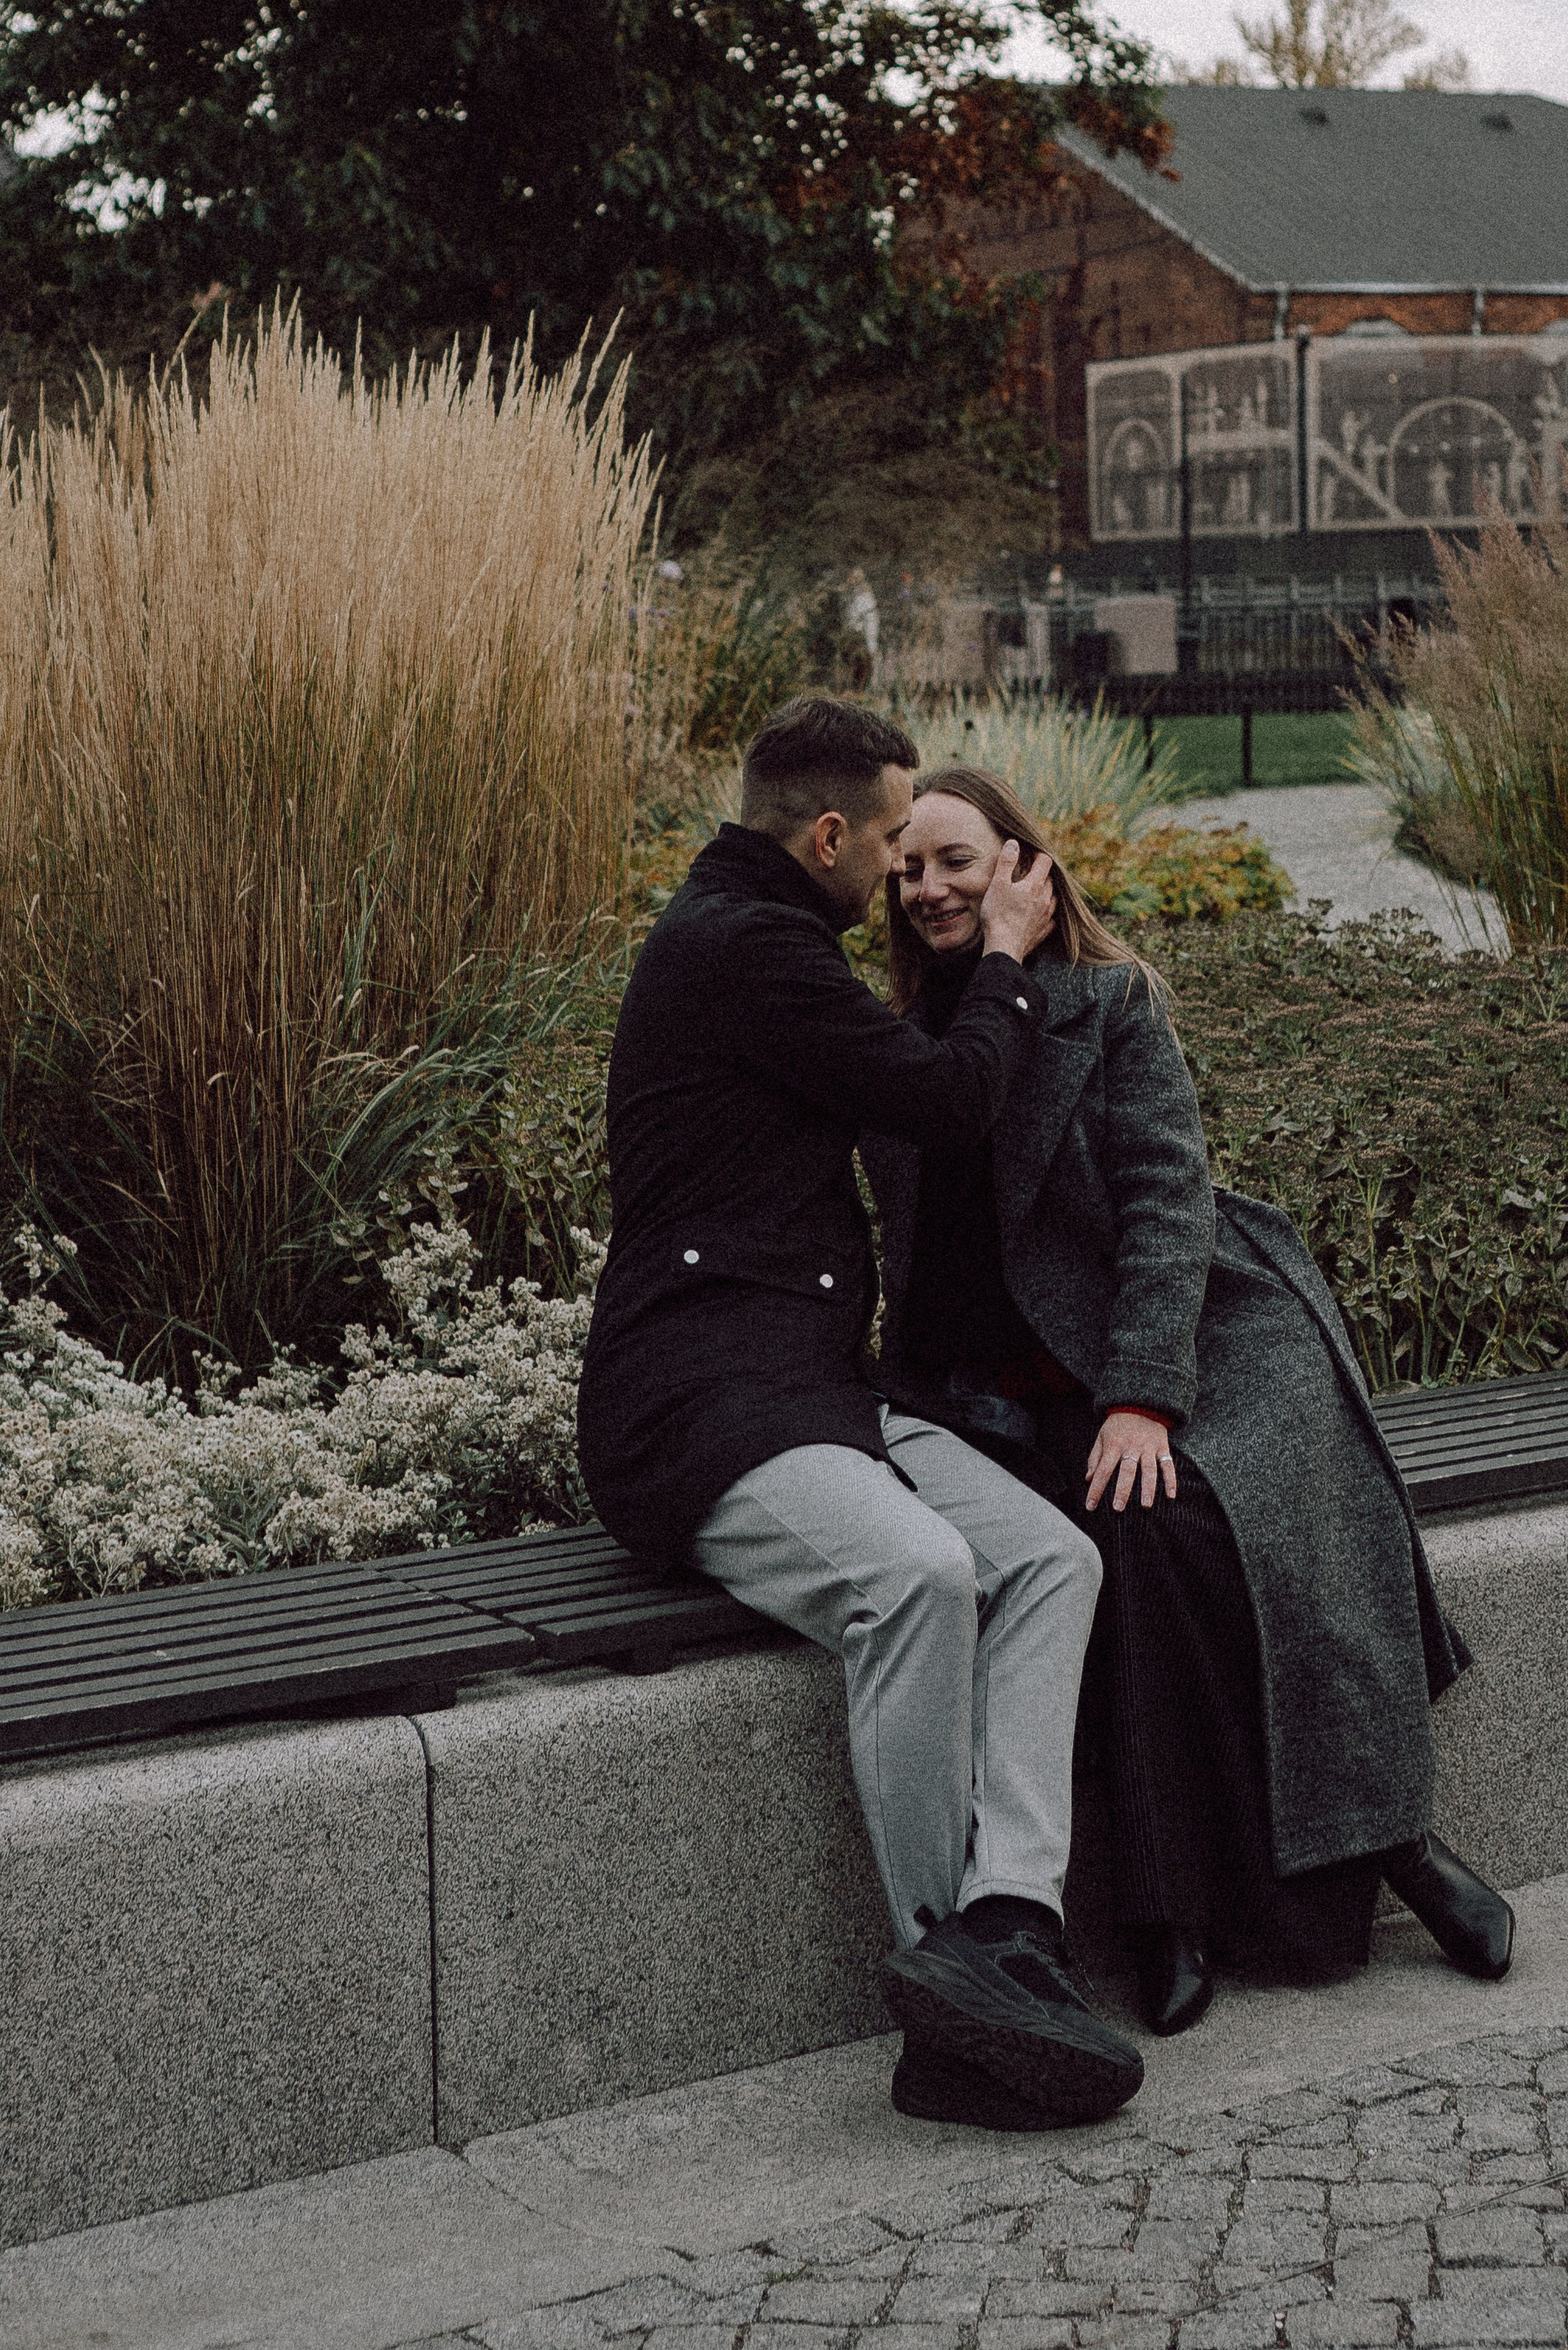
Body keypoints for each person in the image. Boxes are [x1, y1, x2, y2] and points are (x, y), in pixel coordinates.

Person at [866, 764, 1516, 2037]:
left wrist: (1145, 1400)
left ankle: (1396, 1845)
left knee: (1217, 1519)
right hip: (998, 1398)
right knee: (1133, 1546)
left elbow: (1169, 1209)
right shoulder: (897, 1042)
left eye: (957, 858)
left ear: (1024, 869)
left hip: (1204, 1332)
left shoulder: (1108, 1004)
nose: (929, 885)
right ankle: (1176, 1914)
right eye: (909, 867)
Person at [577, 697, 1144, 2131]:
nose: (903, 870)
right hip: (698, 1403)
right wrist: (1009, 950)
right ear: (827, 834)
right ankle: (949, 1976)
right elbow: (951, 1099)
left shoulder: (759, 939)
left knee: (1052, 1559)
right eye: (895, 838)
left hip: (813, 1388)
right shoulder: (749, 949)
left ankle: (1010, 1920)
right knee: (922, 1575)